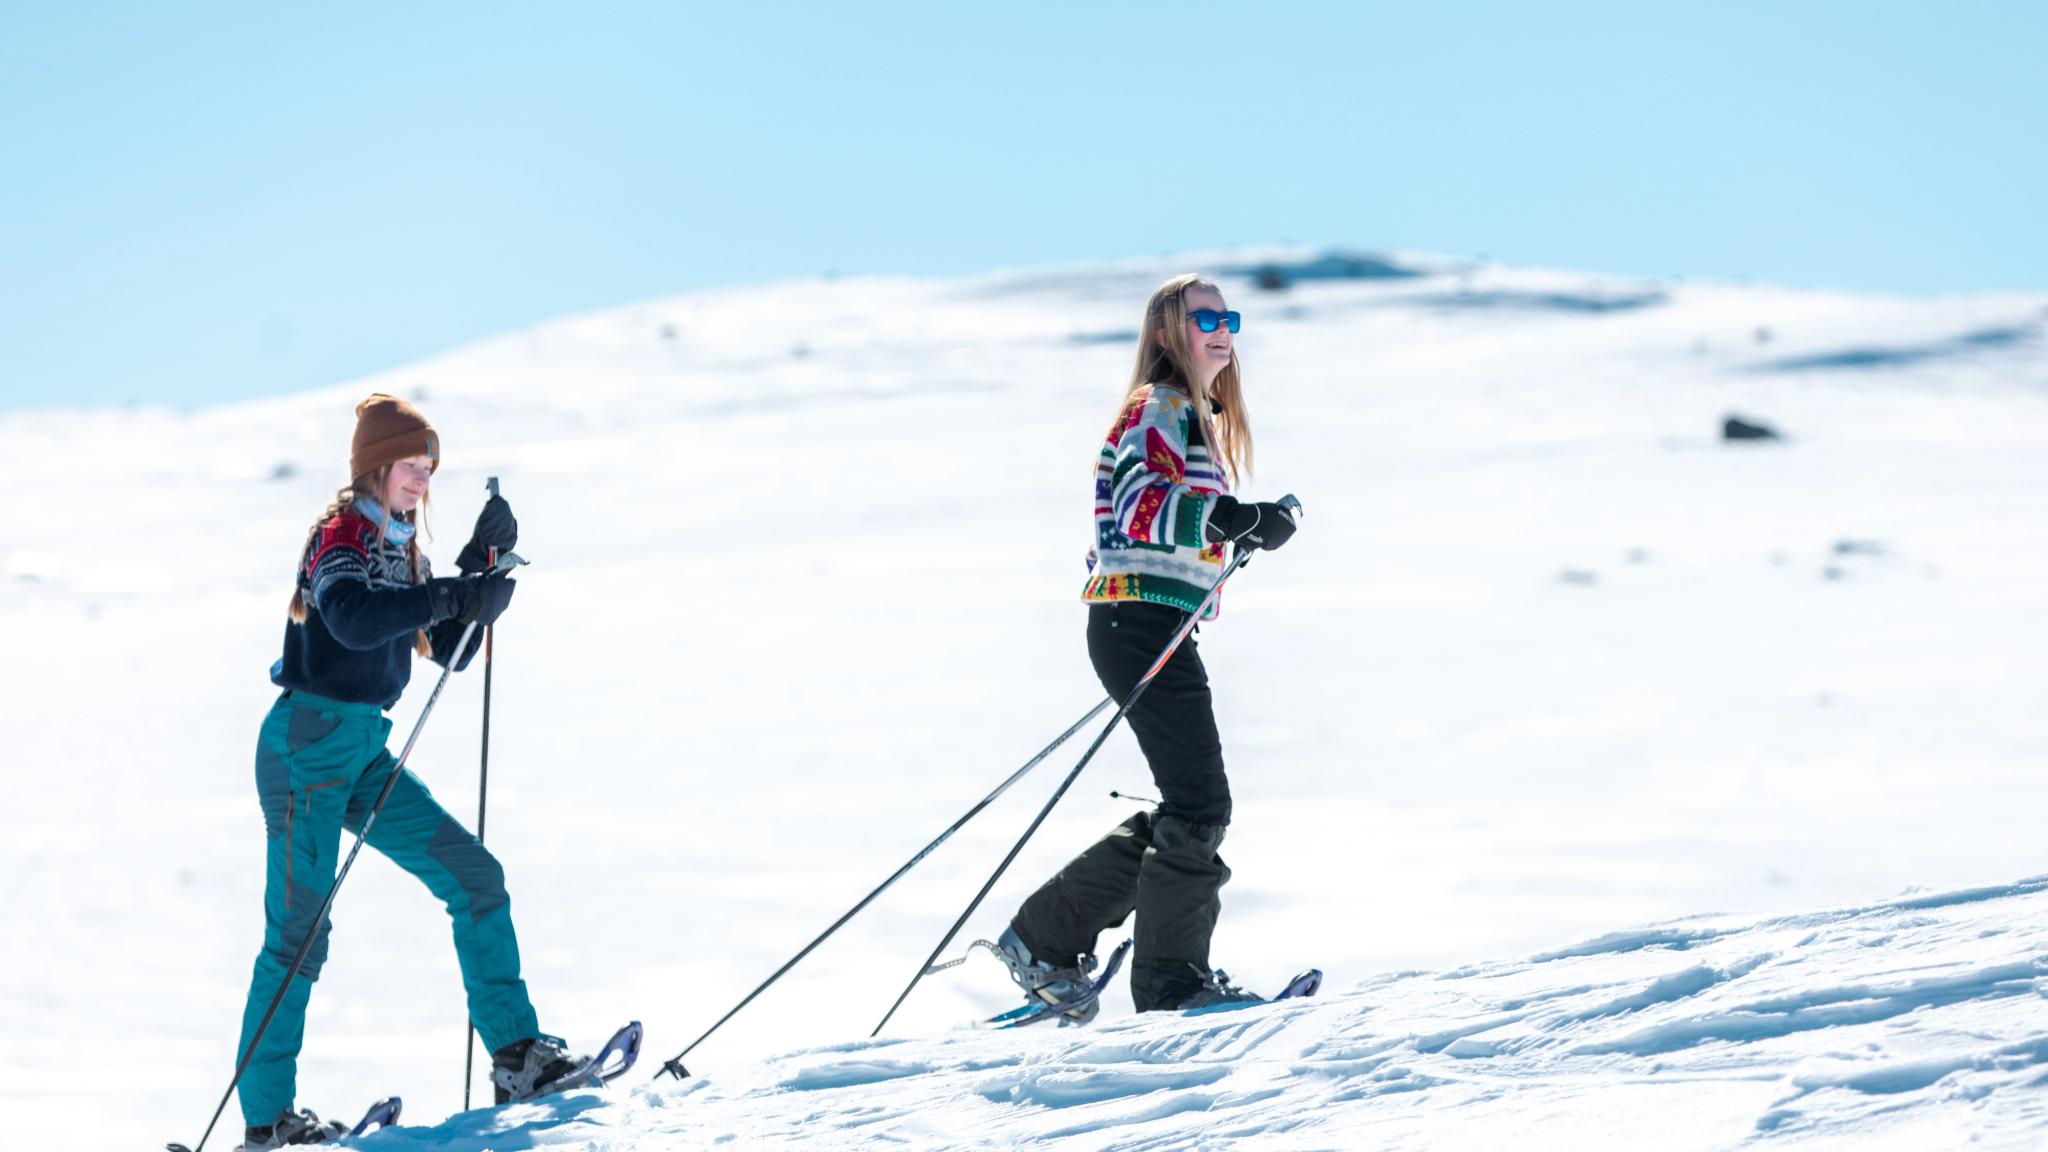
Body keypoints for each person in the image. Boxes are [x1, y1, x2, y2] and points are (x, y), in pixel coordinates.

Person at [233, 394, 578, 1148]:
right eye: (414, 466)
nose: (423, 481)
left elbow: (446, 650)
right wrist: (456, 592)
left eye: (430, 469)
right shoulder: (340, 539)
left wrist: (480, 575)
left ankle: (518, 1055)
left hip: (359, 751)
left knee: (475, 876)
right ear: (377, 466)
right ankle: (266, 1123)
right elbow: (355, 619)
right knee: (299, 935)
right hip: (303, 748)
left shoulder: (400, 547)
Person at [995, 274, 1299, 1022]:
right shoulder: (1158, 408)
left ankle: (1046, 936)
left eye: (1229, 317)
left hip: (1151, 624)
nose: (1221, 329)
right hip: (1137, 624)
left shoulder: (1188, 415)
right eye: (1204, 319)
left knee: (1190, 803)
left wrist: (1245, 524)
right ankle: (1168, 982)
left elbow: (1169, 516)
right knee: (1201, 803)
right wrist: (1230, 517)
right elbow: (1142, 505)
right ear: (1166, 334)